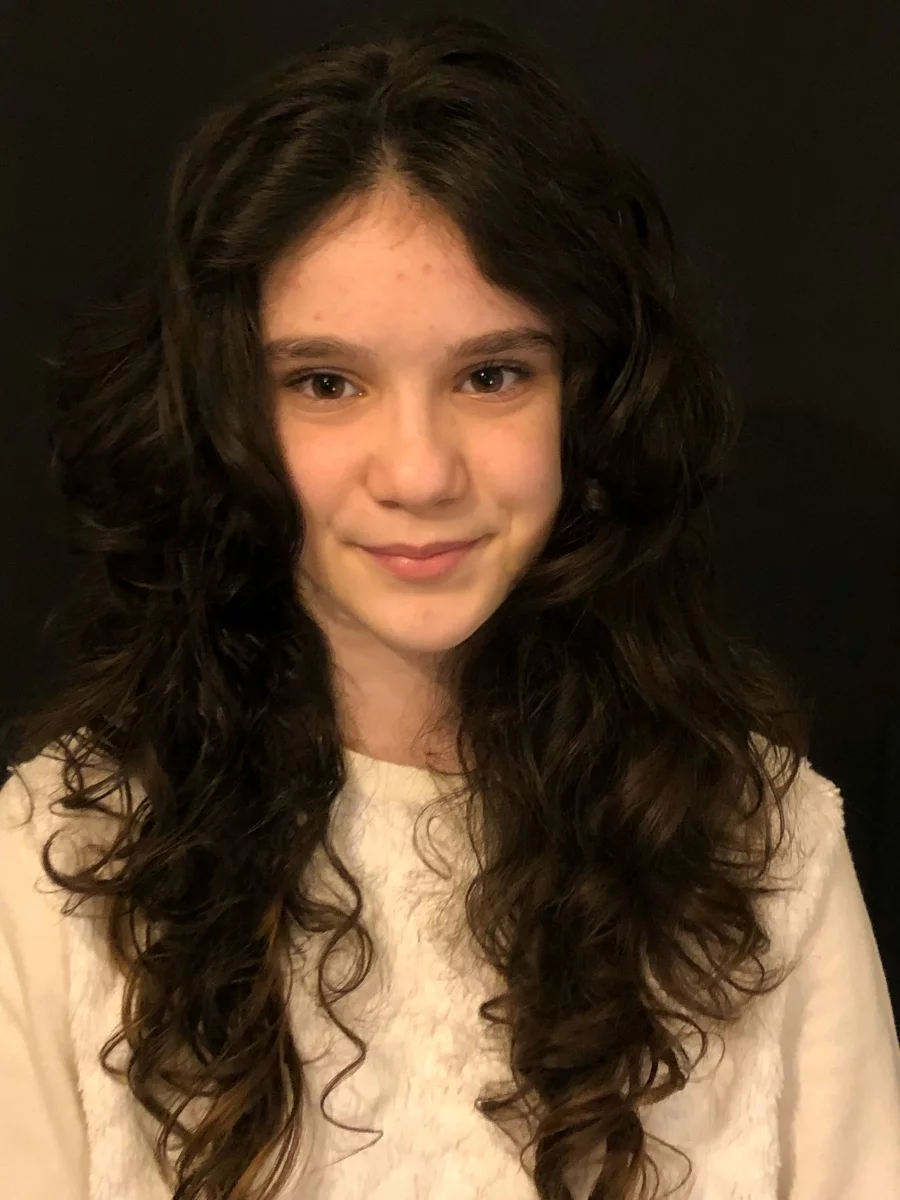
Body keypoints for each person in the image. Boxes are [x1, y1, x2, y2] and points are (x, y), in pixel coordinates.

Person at [1, 12, 898, 1200]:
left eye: (491, 374)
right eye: (327, 382)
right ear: (220, 416)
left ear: (589, 402)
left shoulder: (764, 844)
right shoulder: (61, 855)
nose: (420, 472)